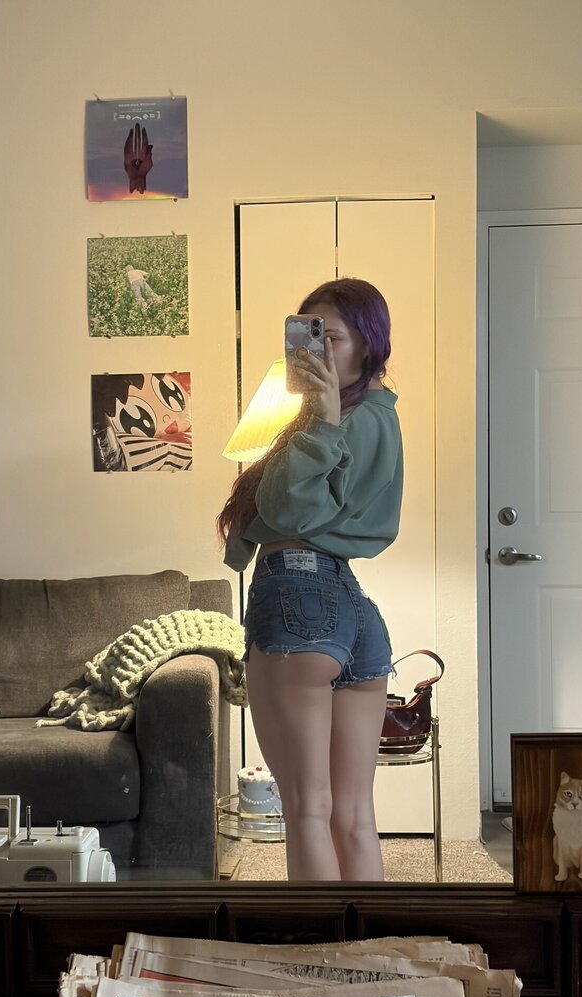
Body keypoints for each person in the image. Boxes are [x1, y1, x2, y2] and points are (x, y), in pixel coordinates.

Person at [217, 278, 403, 882]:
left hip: (298, 596)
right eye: (310, 337)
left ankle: (318, 943)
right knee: (353, 817)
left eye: (334, 338)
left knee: (305, 811)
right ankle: (367, 941)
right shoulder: (376, 417)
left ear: (368, 346)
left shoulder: (342, 420)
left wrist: (319, 423)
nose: (319, 353)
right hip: (353, 612)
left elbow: (289, 512)